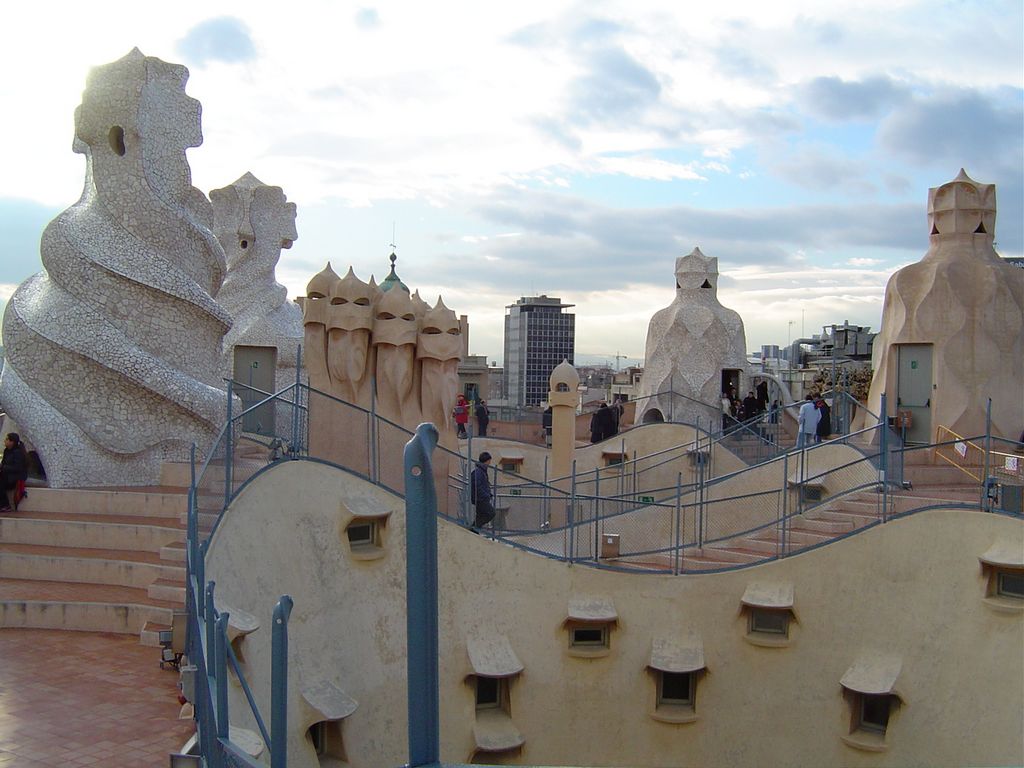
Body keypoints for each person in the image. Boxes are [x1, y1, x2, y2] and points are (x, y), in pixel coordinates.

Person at [0, 433, 28, 511]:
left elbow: (17, 468)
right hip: (7, 475)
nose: (5, 441)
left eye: (7, 439)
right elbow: (4, 463)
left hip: (16, 477)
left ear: (12, 442)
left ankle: (5, 505)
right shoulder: (7, 451)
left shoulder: (17, 452)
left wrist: (3, 467)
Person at [470, 451, 495, 529]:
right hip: (480, 499)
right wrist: (486, 495)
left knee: (480, 515)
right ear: (486, 460)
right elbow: (477, 486)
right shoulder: (479, 472)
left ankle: (474, 531)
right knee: (491, 513)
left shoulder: (481, 471)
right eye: (489, 461)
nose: (489, 463)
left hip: (481, 498)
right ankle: (474, 528)